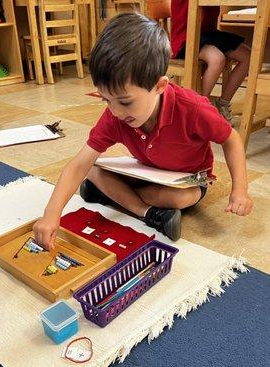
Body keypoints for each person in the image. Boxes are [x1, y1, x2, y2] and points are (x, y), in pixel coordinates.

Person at [33, 12, 253, 250]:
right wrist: (51, 212)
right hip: (145, 172)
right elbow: (79, 164)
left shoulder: (193, 108)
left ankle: (112, 195)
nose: (115, 111)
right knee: (93, 171)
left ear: (160, 86)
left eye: (125, 102)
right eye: (106, 100)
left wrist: (239, 190)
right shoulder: (115, 115)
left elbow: (231, 139)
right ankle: (145, 212)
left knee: (179, 198)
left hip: (184, 181)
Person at [171, 0, 251, 124]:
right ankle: (199, 110)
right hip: (185, 35)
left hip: (209, 33)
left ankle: (222, 104)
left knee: (247, 55)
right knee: (217, 59)